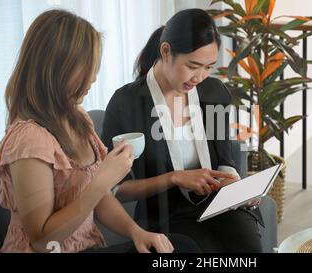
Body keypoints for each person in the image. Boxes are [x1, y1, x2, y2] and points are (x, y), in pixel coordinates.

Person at [0, 9, 198, 253]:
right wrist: (102, 180)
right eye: (87, 66)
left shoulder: (77, 118)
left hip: (87, 247)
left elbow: (101, 199)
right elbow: (42, 241)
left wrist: (137, 232)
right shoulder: (28, 140)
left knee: (179, 246)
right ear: (57, 69)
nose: (92, 78)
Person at [101, 8, 263, 253]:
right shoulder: (126, 104)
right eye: (193, 66)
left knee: (249, 250)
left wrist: (233, 181)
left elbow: (224, 159)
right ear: (166, 51)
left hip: (217, 205)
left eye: (208, 66)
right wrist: (174, 178)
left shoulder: (214, 92)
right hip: (166, 215)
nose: (200, 76)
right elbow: (116, 189)